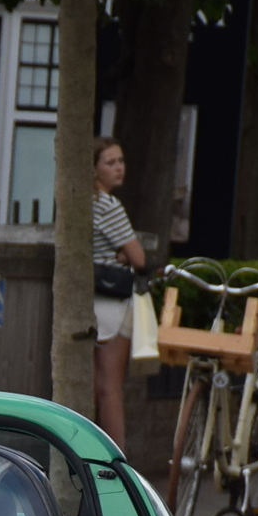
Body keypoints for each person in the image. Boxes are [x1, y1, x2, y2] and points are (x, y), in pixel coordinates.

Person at [91, 137, 148, 447]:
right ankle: (117, 462)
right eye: (110, 162)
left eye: (121, 161)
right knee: (110, 387)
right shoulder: (108, 205)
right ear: (94, 169)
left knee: (92, 385)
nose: (118, 168)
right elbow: (140, 258)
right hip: (113, 303)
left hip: (89, 301)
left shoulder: (80, 204)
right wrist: (125, 255)